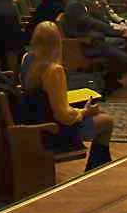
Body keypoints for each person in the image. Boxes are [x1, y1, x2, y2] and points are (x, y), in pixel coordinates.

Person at [20, 22, 114, 170]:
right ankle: (96, 169)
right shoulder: (54, 70)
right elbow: (63, 115)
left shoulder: (27, 59)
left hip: (34, 120)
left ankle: (98, 168)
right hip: (54, 132)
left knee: (97, 113)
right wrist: (84, 112)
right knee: (107, 121)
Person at [61, 0, 127, 88]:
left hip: (94, 39)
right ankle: (109, 81)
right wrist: (114, 32)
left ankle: (112, 79)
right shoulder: (74, 6)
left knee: (123, 45)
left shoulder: (82, 3)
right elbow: (91, 22)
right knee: (123, 53)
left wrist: (100, 3)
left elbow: (99, 19)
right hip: (84, 43)